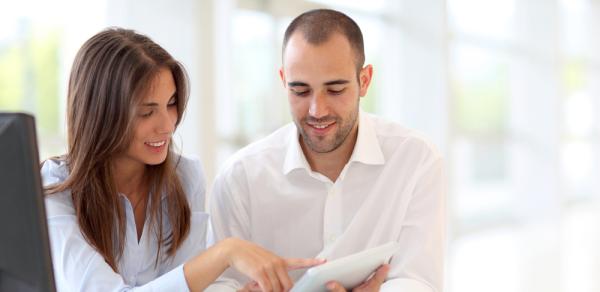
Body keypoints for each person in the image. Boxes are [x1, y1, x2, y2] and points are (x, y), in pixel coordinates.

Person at [41, 28, 322, 292]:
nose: (167, 125)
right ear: (101, 114)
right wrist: (225, 252)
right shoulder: (56, 187)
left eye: (171, 104)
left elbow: (186, 284)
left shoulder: (185, 176)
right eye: (146, 112)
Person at [209, 9, 446, 292]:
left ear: (365, 80)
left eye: (335, 90)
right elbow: (219, 283)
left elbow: (418, 278)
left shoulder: (415, 160)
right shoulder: (240, 178)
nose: (316, 110)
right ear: (284, 80)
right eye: (300, 91)